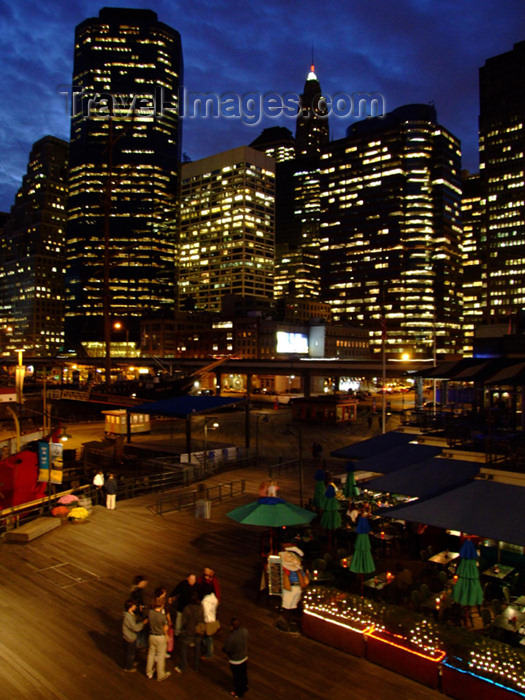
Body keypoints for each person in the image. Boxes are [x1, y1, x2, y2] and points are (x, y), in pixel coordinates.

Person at [176, 590, 204, 673]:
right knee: (198, 648)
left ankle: (183, 666)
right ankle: (196, 665)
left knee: (184, 649)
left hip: (189, 630)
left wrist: (183, 630)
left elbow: (184, 622)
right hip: (198, 630)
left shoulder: (187, 609)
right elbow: (202, 618)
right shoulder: (200, 608)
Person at [145, 595, 171, 681]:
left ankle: (149, 672)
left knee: (150, 654)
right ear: (162, 605)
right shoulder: (162, 617)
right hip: (160, 637)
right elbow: (165, 627)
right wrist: (167, 635)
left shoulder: (150, 613)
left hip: (151, 635)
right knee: (160, 656)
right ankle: (160, 675)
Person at [197, 566, 221, 659]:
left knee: (208, 637)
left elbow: (206, 613)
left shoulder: (205, 602)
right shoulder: (214, 598)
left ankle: (208, 652)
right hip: (212, 618)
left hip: (208, 621)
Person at [223, 617, 249, 699]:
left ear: (232, 626)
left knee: (237, 677)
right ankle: (245, 686)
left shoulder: (231, 638)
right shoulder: (245, 631)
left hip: (235, 660)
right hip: (244, 656)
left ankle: (238, 692)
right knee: (243, 673)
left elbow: (226, 649)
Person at [122, 599, 148, 672]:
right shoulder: (128, 617)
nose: (135, 606)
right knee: (130, 653)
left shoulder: (129, 614)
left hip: (128, 637)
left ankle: (129, 663)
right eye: (133, 605)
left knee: (130, 652)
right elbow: (135, 628)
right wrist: (143, 623)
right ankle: (128, 667)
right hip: (130, 638)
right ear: (130, 607)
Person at [130, 575, 149, 648]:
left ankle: (139, 643)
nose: (145, 583)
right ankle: (140, 643)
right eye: (144, 582)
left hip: (137, 613)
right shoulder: (138, 592)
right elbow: (138, 603)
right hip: (138, 614)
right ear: (140, 582)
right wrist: (142, 608)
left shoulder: (135, 591)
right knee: (140, 628)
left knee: (140, 629)